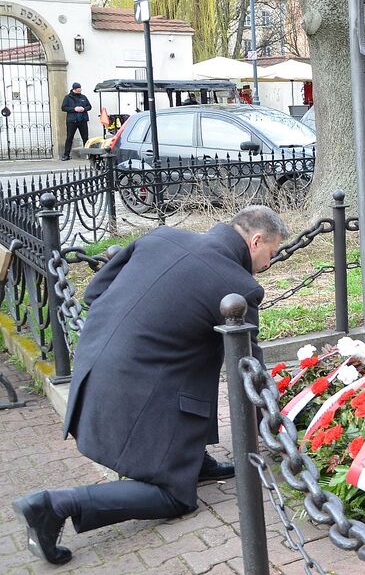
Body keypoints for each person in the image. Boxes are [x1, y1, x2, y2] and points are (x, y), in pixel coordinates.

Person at [11, 206, 289, 566]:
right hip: (136, 391)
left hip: (93, 363)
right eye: (272, 252)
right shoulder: (238, 288)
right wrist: (273, 428)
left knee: (194, 366)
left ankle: (193, 461)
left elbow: (95, 293)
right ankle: (54, 505)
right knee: (176, 498)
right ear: (255, 241)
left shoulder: (161, 236)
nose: (270, 261)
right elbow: (247, 370)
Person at [60, 82, 91, 161]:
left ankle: (89, 155)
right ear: (74, 89)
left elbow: (89, 106)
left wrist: (84, 109)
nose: (79, 91)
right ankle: (66, 155)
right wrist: (74, 109)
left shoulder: (83, 97)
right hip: (72, 121)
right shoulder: (67, 97)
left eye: (80, 90)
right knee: (69, 138)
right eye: (78, 90)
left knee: (85, 138)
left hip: (82, 120)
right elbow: (63, 107)